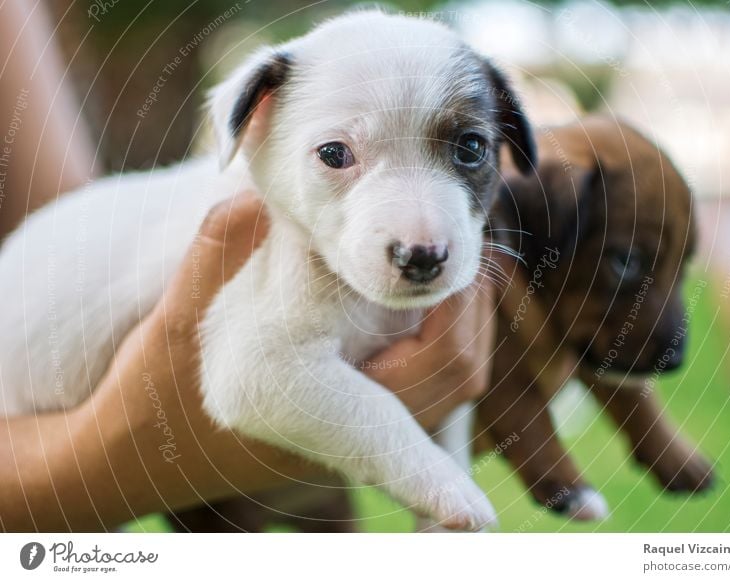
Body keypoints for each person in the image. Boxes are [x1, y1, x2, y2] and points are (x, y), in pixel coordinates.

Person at [0, 1, 495, 532]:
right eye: (335, 155)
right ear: (255, 117)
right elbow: (256, 382)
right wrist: (432, 479)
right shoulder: (256, 226)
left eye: (468, 148)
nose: (422, 238)